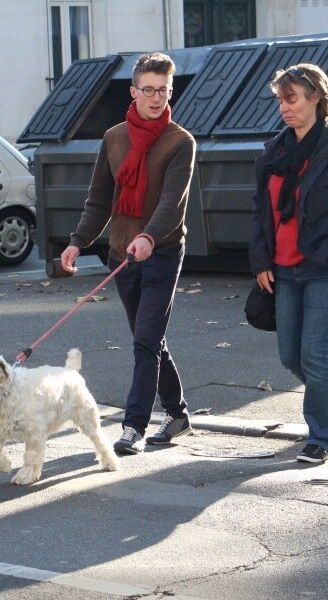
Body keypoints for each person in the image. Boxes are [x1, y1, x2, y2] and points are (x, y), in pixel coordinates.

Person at [60, 52, 196, 456]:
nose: (157, 98)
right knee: (148, 338)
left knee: (145, 341)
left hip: (163, 251)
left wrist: (150, 237)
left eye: (164, 91)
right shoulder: (114, 138)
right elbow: (99, 201)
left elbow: (172, 204)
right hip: (122, 254)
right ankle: (179, 413)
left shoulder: (180, 142)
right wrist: (76, 241)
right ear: (134, 91)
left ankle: (133, 426)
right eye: (149, 90)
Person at [249, 63, 328, 463]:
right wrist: (261, 260)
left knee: (314, 353)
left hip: (327, 268)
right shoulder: (274, 152)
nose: (284, 108)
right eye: (280, 100)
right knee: (291, 355)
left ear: (315, 99)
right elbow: (260, 213)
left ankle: (320, 436)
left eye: (292, 99)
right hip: (284, 269)